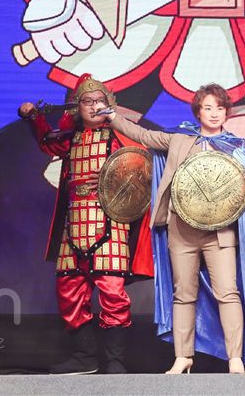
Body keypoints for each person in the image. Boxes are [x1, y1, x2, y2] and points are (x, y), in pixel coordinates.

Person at [106, 83, 245, 374]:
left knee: (228, 292)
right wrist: (113, 117)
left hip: (220, 232)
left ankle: (235, 358)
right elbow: (144, 135)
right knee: (183, 294)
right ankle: (183, 356)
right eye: (208, 108)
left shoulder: (235, 146)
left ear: (227, 112)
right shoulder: (180, 138)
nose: (214, 113)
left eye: (220, 108)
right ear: (198, 112)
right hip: (181, 228)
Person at [18, 74, 153, 375]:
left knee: (112, 291)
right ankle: (84, 357)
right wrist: (34, 118)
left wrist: (112, 177)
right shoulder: (71, 139)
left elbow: (143, 168)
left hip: (110, 226)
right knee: (69, 288)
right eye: (87, 101)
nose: (93, 106)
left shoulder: (120, 136)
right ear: (77, 108)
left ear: (109, 104)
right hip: (74, 226)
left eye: (99, 101)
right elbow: (47, 142)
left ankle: (115, 360)